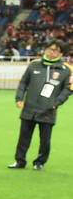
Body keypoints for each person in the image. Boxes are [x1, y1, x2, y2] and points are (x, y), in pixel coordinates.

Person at [8, 39, 70, 171]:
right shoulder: (34, 65)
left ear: (61, 53)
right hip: (29, 108)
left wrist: (56, 103)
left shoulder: (66, 69)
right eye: (50, 49)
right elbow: (23, 83)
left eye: (56, 51)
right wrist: (19, 98)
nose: (51, 52)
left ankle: (39, 162)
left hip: (48, 110)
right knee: (23, 137)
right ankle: (20, 161)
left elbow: (68, 89)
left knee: (45, 140)